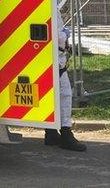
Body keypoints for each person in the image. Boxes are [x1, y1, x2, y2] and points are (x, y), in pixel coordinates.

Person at [44, 23, 87, 151]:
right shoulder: (51, 6)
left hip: (53, 58)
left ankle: (51, 133)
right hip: (56, 59)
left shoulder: (51, 6)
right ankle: (66, 134)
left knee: (50, 96)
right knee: (65, 95)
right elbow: (58, 36)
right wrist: (65, 35)